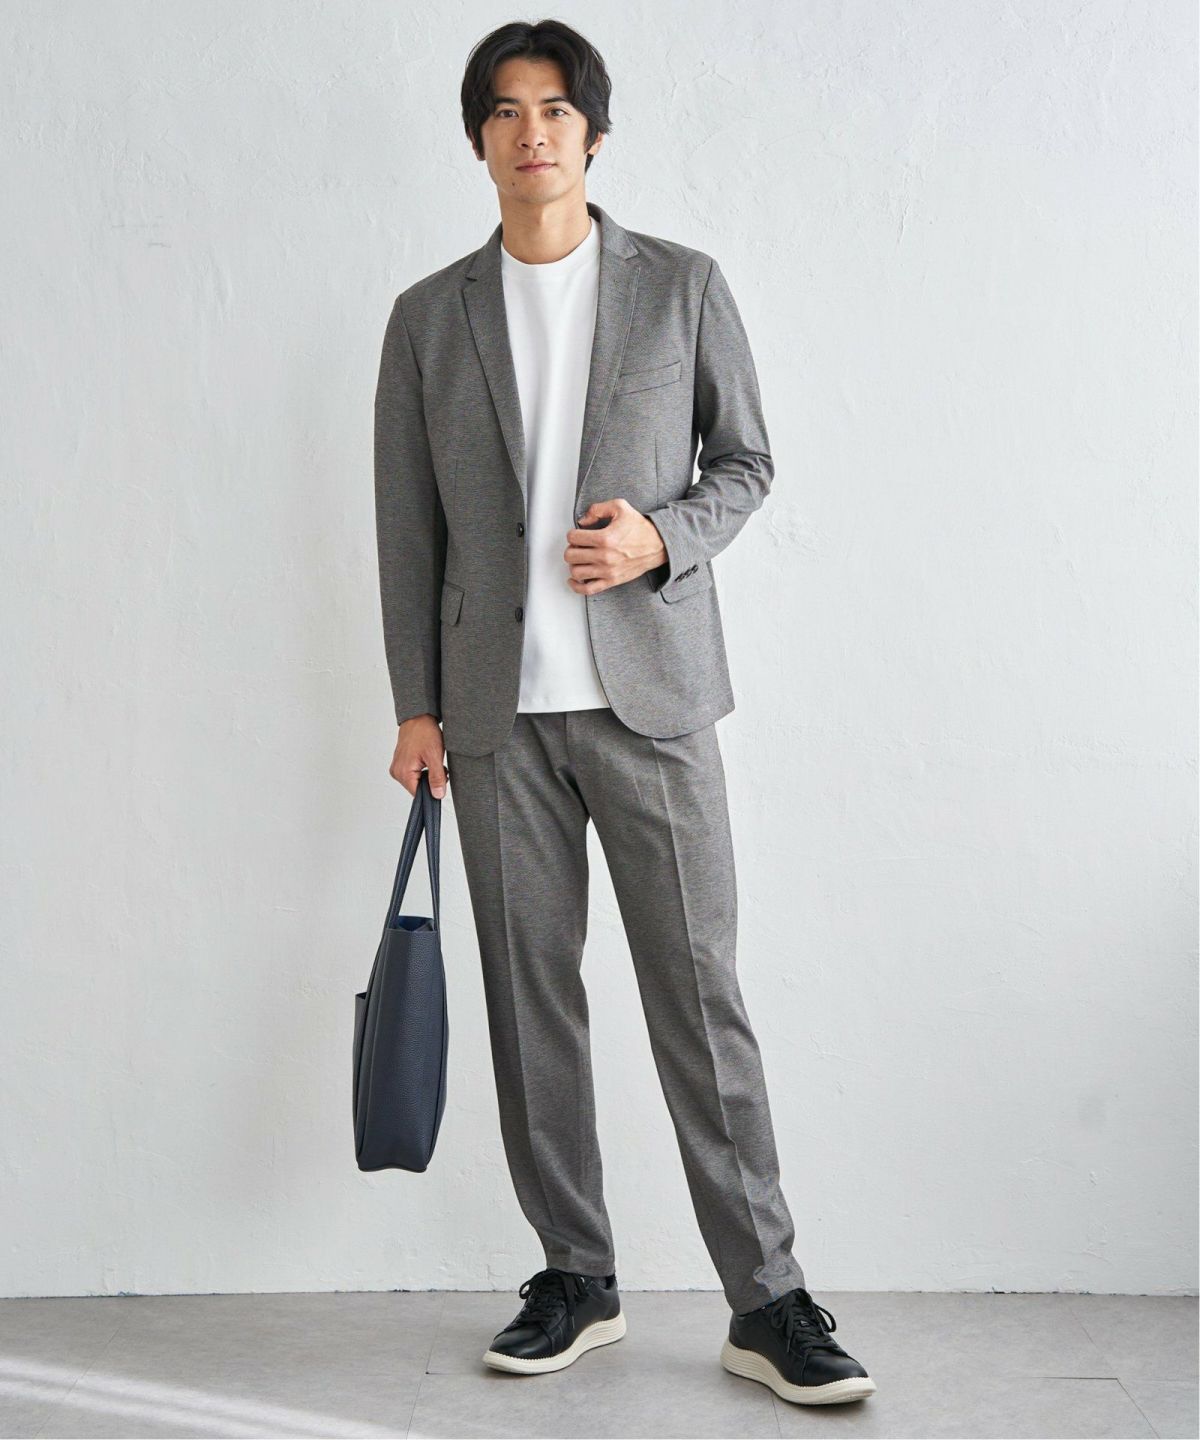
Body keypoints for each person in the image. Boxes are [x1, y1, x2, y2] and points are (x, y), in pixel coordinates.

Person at [372, 17, 876, 1408]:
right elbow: (406, 530)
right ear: (479, 138)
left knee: (700, 1001)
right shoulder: (428, 318)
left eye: (555, 108)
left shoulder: (680, 287)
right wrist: (415, 707)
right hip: (493, 720)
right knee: (531, 1008)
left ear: (593, 134)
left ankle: (766, 1300)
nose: (531, 130)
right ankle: (575, 1276)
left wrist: (661, 537)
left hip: (653, 706)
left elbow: (746, 462)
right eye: (505, 110)